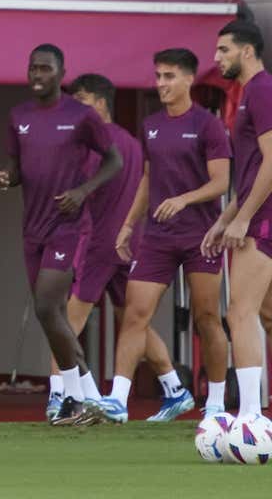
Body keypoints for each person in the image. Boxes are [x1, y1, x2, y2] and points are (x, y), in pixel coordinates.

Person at [94, 50, 231, 423]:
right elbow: (148, 179)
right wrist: (127, 225)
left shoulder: (208, 125)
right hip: (156, 236)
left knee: (206, 317)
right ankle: (117, 401)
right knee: (135, 313)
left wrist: (184, 199)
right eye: (158, 76)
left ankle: (215, 404)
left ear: (189, 79)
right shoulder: (151, 124)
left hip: (202, 235)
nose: (161, 84)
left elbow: (222, 182)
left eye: (169, 76)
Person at [0, 44, 121, 426]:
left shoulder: (80, 116)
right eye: (32, 68)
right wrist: (7, 179)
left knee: (48, 307)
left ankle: (75, 398)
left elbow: (115, 160)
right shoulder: (19, 117)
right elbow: (17, 170)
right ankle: (84, 400)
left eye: (45, 69)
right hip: (32, 229)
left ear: (61, 73)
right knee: (54, 317)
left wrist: (83, 192)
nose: (37, 75)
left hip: (68, 226)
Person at [53, 73, 181, 423]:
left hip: (99, 244)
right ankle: (174, 388)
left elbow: (78, 193)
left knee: (63, 320)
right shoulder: (131, 143)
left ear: (100, 102)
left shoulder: (94, 144)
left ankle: (57, 396)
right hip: (130, 243)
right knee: (133, 321)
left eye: (81, 98)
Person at [203, 20, 272, 421]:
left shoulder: (262, 90)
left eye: (224, 50)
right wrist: (223, 218)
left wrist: (244, 219)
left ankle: (249, 416)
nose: (217, 58)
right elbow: (248, 175)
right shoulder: (249, 94)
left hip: (262, 220)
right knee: (264, 315)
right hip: (253, 213)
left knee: (239, 312)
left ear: (247, 51)